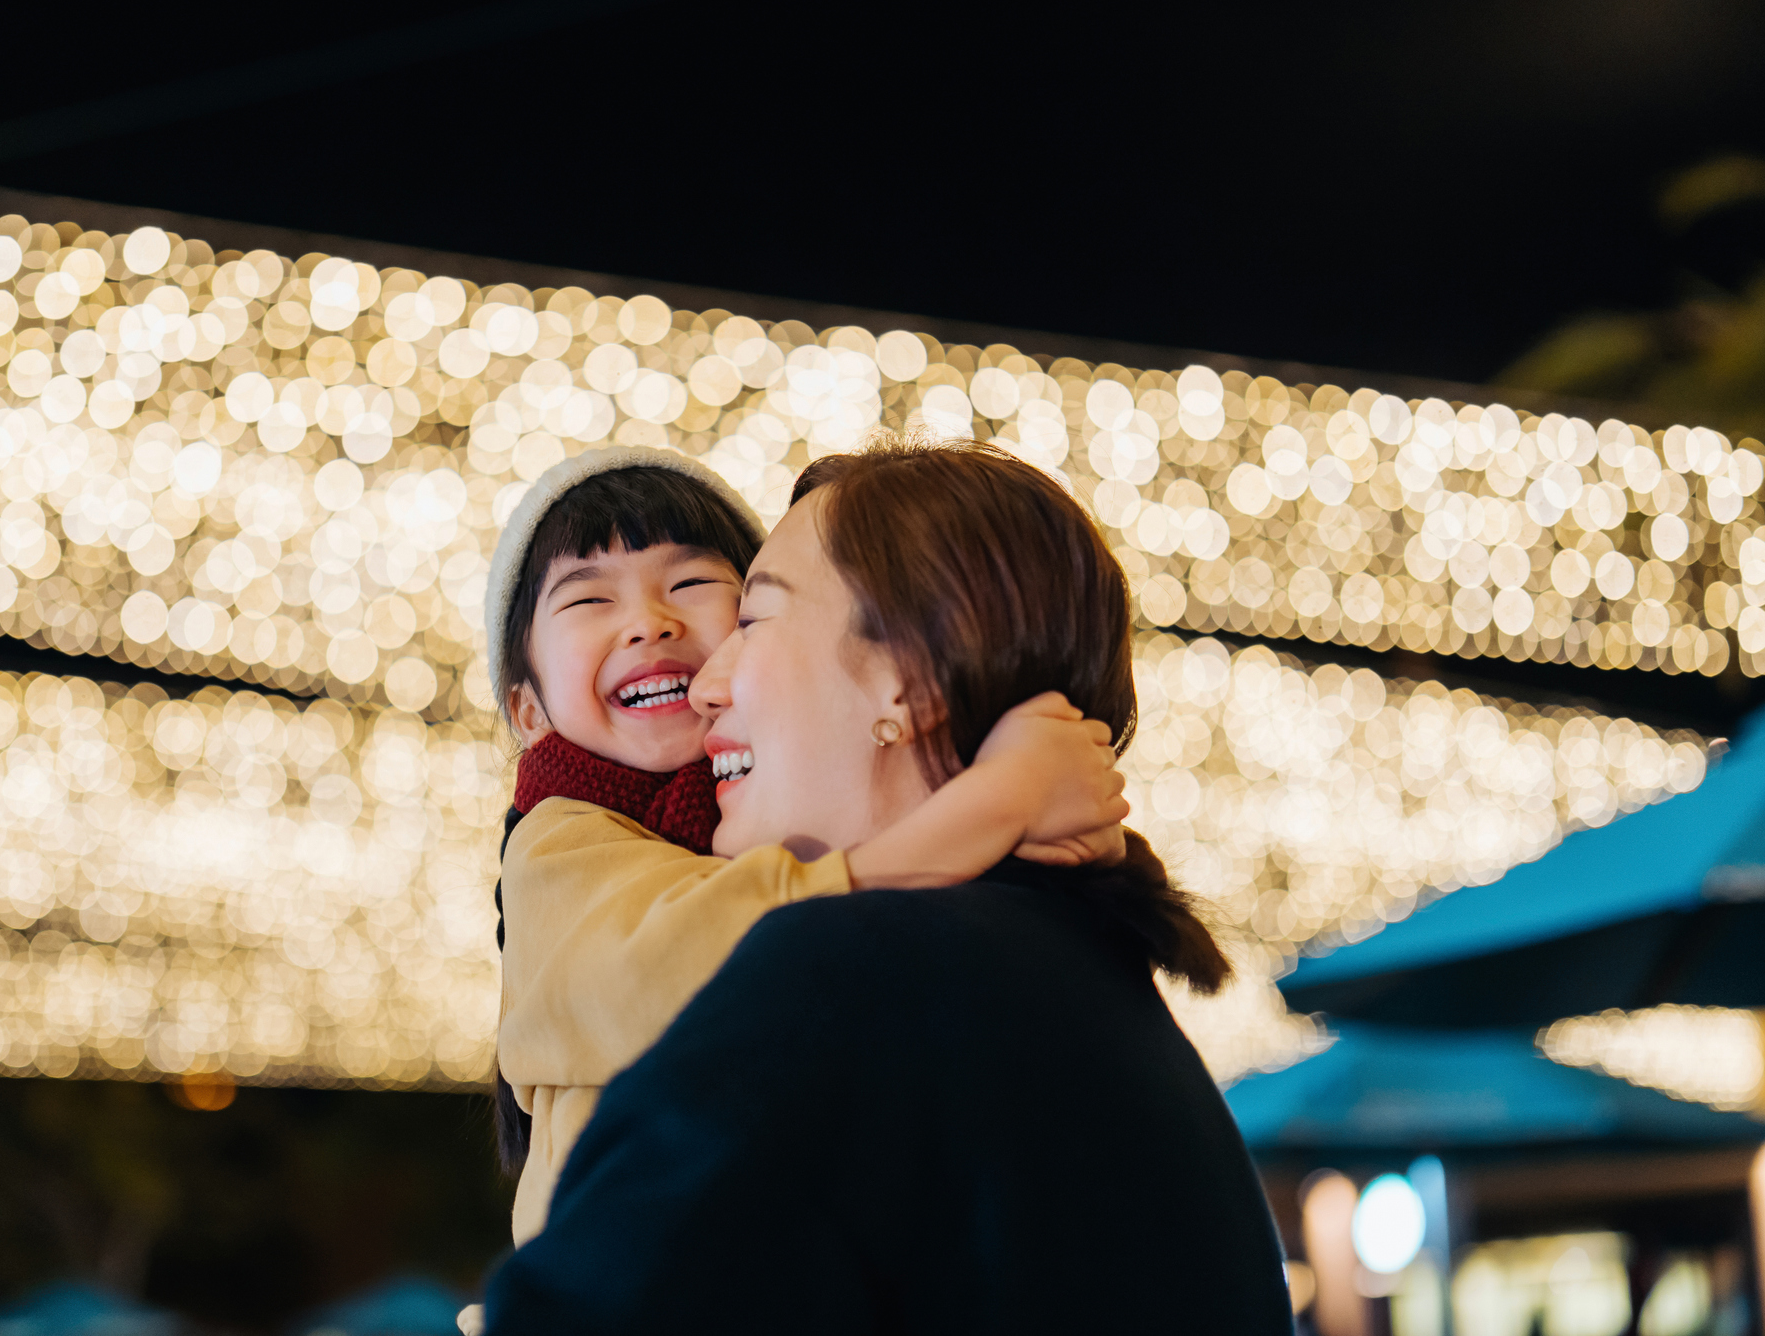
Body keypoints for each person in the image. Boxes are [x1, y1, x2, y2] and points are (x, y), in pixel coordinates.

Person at [483, 440, 1293, 1335]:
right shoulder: (1092, 988)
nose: (702, 681)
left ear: (907, 680)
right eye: (589, 598)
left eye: (746, 617)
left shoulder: (844, 977)